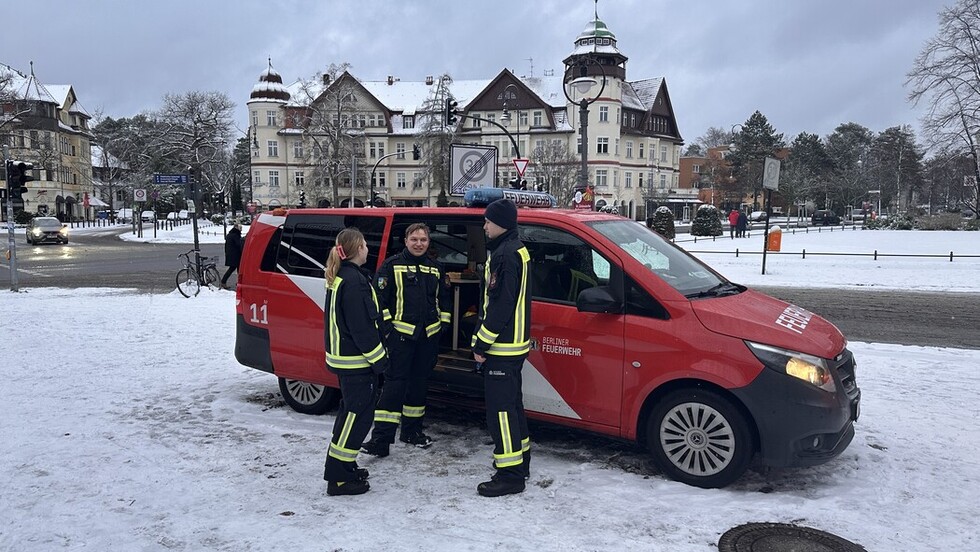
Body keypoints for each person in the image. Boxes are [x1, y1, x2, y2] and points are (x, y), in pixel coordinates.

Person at [361, 223, 451, 458]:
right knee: (394, 386)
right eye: (414, 239)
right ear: (406, 240)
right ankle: (381, 439)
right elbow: (379, 301)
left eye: (423, 239)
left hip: (427, 338)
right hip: (400, 339)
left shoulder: (436, 268)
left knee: (419, 386)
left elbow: (445, 300)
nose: (419, 243)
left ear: (429, 242)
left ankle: (412, 432)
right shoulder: (391, 266)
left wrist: (442, 327)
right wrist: (389, 330)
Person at [471, 198, 531, 497]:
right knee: (514, 407)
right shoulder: (515, 248)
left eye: (488, 221)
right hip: (514, 345)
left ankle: (510, 475)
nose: (484, 225)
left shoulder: (505, 254)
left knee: (501, 412)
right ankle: (521, 463)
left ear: (501, 223)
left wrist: (482, 342)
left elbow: (501, 303)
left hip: (502, 347)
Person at [322, 228, 389, 496]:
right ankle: (339, 477)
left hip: (348, 362)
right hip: (357, 364)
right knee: (357, 419)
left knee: (350, 415)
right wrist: (380, 361)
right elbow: (362, 328)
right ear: (357, 249)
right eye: (364, 245)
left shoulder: (345, 276)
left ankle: (345, 465)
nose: (367, 250)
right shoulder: (354, 281)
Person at [220, 223, 244, 289]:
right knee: (235, 269)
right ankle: (224, 281)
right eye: (240, 227)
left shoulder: (231, 234)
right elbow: (239, 244)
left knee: (236, 269)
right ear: (237, 228)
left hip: (232, 255)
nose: (241, 229)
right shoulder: (235, 235)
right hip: (235, 255)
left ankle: (238, 282)